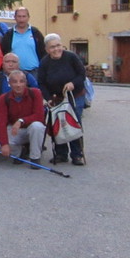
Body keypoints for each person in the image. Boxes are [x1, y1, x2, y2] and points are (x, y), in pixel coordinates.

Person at [38, 33, 87, 165]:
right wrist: (48, 98)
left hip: (75, 95)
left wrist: (73, 83)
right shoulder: (44, 62)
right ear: (47, 49)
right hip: (56, 98)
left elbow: (82, 74)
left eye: (58, 45)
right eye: (52, 47)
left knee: (74, 122)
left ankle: (77, 154)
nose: (56, 49)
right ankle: (61, 153)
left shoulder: (71, 57)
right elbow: (41, 82)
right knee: (57, 124)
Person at [0, 70, 47, 167]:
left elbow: (39, 116)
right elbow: (1, 123)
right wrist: (4, 144)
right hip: (16, 130)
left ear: (26, 83)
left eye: (21, 81)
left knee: (37, 126)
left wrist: (21, 121)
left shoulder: (35, 93)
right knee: (0, 142)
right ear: (9, 83)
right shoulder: (3, 98)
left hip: (32, 128)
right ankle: (20, 153)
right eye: (14, 82)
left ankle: (35, 158)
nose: (18, 85)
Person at [0, 6, 46, 84]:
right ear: (15, 18)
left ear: (28, 17)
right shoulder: (9, 34)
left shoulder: (35, 32)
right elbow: (3, 52)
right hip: (15, 73)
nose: (21, 19)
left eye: (24, 16)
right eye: (19, 16)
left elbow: (43, 51)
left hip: (34, 72)